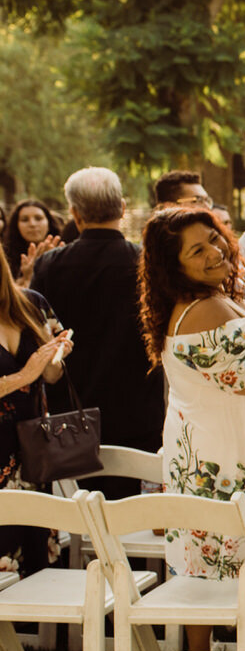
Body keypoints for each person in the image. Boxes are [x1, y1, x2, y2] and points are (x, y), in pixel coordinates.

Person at [137, 207, 245, 651]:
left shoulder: (223, 297)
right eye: (198, 250)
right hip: (230, 458)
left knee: (226, 569)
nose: (215, 251)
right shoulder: (201, 310)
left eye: (214, 238)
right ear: (175, 267)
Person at [31, 168, 165, 498]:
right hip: (138, 405)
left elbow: (38, 331)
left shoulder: (49, 265)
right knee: (130, 507)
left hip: (73, 406)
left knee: (80, 508)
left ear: (74, 213)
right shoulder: (146, 261)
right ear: (121, 208)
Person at [0, 256, 74, 576]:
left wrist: (54, 358)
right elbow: (29, 376)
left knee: (35, 557)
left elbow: (53, 377)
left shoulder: (32, 303)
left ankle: (34, 627)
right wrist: (23, 376)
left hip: (33, 449)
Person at [2, 200, 68, 288]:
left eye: (38, 218)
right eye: (25, 220)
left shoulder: (65, 252)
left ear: (48, 222)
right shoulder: (5, 257)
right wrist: (26, 278)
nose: (32, 224)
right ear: (16, 225)